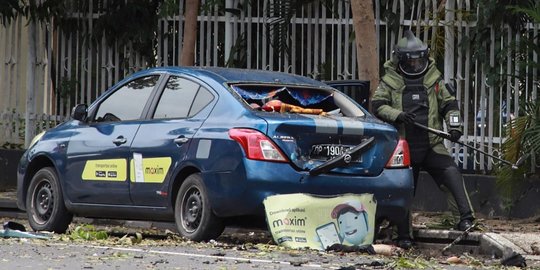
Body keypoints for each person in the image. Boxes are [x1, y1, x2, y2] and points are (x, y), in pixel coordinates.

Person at [371, 30, 475, 249]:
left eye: (420, 61)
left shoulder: (435, 79)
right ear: (400, 60)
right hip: (403, 147)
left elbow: (450, 105)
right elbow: (378, 105)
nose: (416, 65)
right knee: (405, 190)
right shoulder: (389, 81)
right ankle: (403, 234)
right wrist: (397, 115)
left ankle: (466, 219)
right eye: (411, 61)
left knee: (452, 175)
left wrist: (455, 126)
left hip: (432, 143)